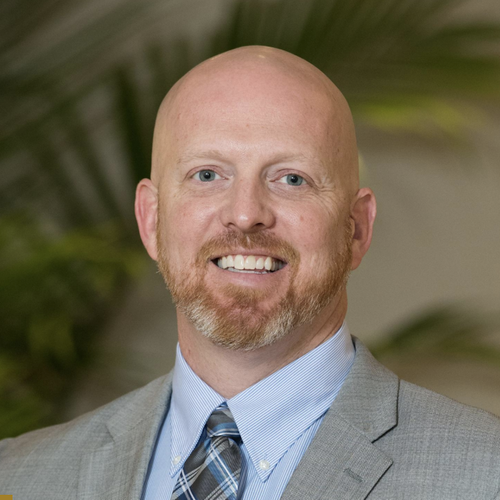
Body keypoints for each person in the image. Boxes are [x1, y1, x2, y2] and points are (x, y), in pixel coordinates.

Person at [1, 46, 500, 500]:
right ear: (151, 220)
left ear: (356, 229)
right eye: (207, 174)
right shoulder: (19, 477)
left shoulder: (485, 476)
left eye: (291, 178)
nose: (245, 214)